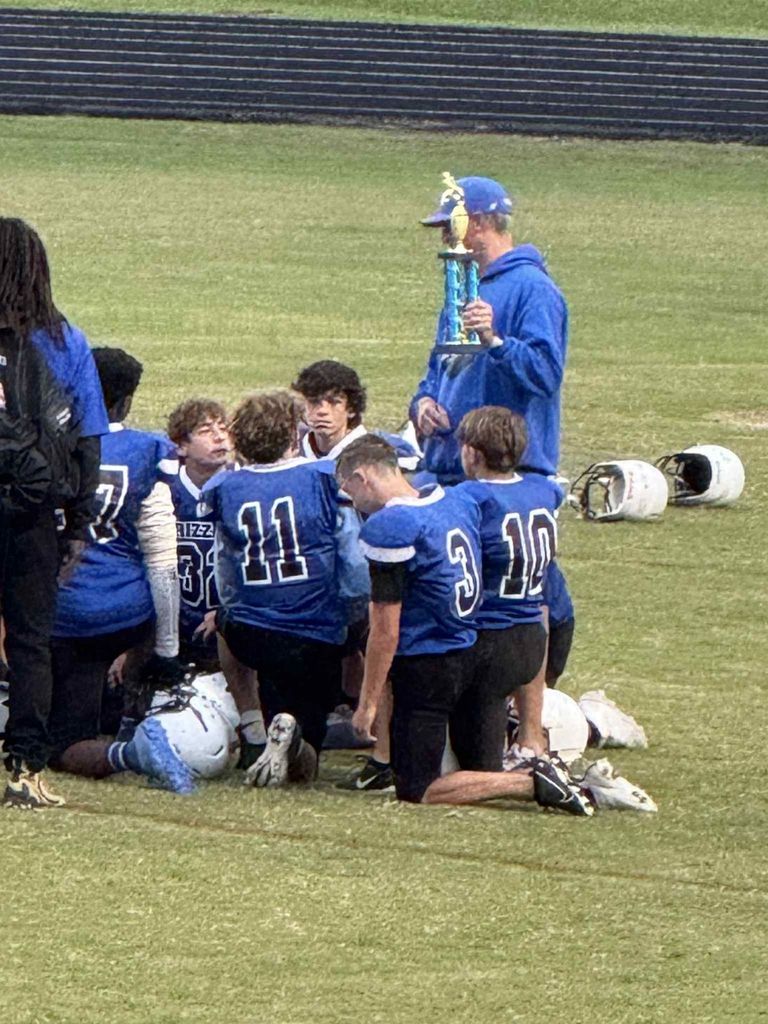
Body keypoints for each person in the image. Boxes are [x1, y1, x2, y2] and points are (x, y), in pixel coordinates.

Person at [334, 434, 591, 814]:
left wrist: (367, 704)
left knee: (417, 789)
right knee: (478, 769)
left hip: (428, 664)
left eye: (349, 491)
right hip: (474, 652)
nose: (353, 503)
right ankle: (534, 776)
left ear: (362, 478)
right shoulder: (455, 499)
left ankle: (532, 780)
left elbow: (386, 631)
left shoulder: (392, 525)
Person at [47, 346, 194, 793]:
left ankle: (128, 750)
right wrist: (166, 647)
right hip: (130, 615)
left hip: (65, 613)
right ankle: (130, 713)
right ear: (127, 400)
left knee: (61, 746)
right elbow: (163, 559)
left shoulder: (49, 443)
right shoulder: (147, 451)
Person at [204, 389, 366, 787]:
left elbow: (224, 568)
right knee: (308, 750)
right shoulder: (323, 478)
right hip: (316, 632)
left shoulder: (225, 488)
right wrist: (352, 611)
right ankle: (322, 731)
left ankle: (256, 730)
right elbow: (353, 563)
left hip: (253, 631)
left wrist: (235, 608)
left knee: (228, 622)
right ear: (294, 436)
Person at [0, 217, 108, 808]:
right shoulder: (66, 341)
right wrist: (80, 523)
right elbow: (90, 438)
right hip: (33, 512)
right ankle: (25, 770)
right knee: (31, 642)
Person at [292, 359, 420, 789]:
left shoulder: (381, 452)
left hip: (370, 576)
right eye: (314, 401)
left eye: (334, 401)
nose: (322, 411)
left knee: (382, 656)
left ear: (352, 407)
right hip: (311, 579)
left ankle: (383, 753)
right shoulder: (294, 448)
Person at [455, 407, 563, 763]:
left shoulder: (469, 498)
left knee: (478, 765)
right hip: (531, 641)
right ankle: (530, 741)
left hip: (486, 640)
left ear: (471, 452)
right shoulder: (544, 491)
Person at [166, 397, 266, 766]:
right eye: (206, 431)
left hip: (226, 623)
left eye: (223, 428)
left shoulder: (242, 486)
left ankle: (253, 728)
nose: (219, 437)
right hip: (174, 622)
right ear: (181, 445)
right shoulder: (165, 489)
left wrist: (224, 610)